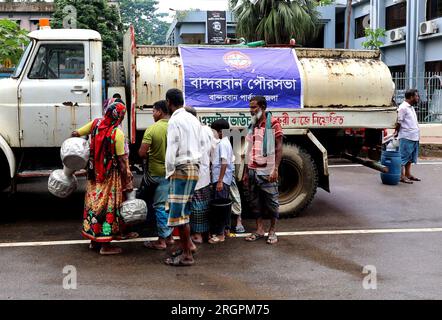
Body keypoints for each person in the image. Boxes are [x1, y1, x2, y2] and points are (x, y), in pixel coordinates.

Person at [71, 100, 133, 255]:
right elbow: (122, 161)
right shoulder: (117, 133)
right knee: (107, 206)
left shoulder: (96, 123)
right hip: (109, 176)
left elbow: (75, 134)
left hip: (93, 174)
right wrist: (128, 179)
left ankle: (93, 241)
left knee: (93, 204)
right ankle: (105, 246)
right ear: (119, 116)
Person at [164, 89, 203, 266]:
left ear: (168, 102)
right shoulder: (193, 119)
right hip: (194, 167)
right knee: (183, 211)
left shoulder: (175, 120)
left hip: (181, 168)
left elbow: (171, 148)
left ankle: (187, 254)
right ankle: (187, 246)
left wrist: (169, 171)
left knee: (180, 214)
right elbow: (201, 145)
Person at [243, 96, 283, 245]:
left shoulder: (273, 124)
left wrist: (276, 169)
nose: (251, 110)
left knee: (272, 202)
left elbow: (279, 148)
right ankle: (259, 229)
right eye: (250, 107)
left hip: (267, 170)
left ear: (263, 107)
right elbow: (249, 148)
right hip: (253, 169)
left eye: (254, 107)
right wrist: (246, 171)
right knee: (255, 202)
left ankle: (272, 231)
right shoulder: (252, 125)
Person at [139, 100, 175, 250]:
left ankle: (161, 240)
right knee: (170, 205)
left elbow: (142, 153)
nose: (152, 114)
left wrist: (150, 153)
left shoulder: (152, 129)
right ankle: (171, 237)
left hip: (157, 174)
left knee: (159, 206)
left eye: (153, 111)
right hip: (174, 172)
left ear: (160, 111)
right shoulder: (175, 127)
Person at [185, 106, 215, 245]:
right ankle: (206, 233)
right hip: (205, 176)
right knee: (204, 206)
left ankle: (197, 235)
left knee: (195, 207)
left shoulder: (189, 132)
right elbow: (213, 151)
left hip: (193, 176)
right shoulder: (207, 130)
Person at [209, 119, 234, 244]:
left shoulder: (223, 143)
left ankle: (220, 235)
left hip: (221, 180)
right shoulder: (224, 142)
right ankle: (225, 231)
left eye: (213, 131)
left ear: (220, 132)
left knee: (220, 207)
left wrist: (219, 181)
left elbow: (224, 162)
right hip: (223, 179)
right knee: (224, 205)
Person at [394, 89, 421, 184]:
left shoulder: (411, 107)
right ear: (411, 97)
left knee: (410, 158)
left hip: (414, 136)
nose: (418, 98)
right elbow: (399, 122)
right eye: (416, 96)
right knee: (403, 157)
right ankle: (402, 176)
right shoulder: (403, 108)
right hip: (406, 136)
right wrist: (396, 132)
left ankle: (408, 174)